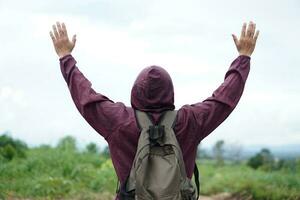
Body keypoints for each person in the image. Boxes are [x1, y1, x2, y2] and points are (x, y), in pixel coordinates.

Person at [49, 21, 259, 199]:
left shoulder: (118, 121)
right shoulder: (190, 121)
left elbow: (86, 98)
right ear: (171, 92)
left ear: (135, 91)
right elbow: (223, 100)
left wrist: (65, 57)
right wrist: (243, 57)